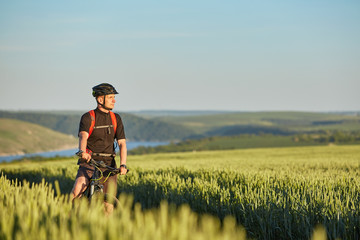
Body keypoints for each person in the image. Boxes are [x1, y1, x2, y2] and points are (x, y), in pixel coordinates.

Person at [71, 83, 127, 212]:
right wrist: (83, 152)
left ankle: (107, 229)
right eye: (111, 97)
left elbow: (122, 144)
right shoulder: (88, 117)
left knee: (109, 204)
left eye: (114, 97)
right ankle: (66, 219)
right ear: (100, 99)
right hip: (90, 161)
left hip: (109, 164)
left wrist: (123, 165)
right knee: (76, 192)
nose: (114, 100)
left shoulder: (116, 118)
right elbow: (83, 136)